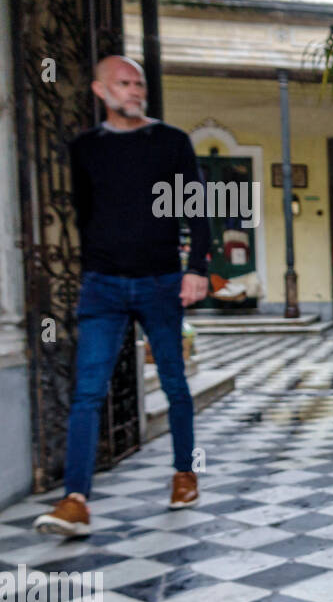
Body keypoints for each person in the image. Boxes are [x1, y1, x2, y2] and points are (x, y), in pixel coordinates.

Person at [34, 56, 212, 537]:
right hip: (103, 285)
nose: (135, 90)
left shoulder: (171, 142)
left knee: (174, 382)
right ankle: (75, 500)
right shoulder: (85, 149)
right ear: (100, 90)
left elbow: (196, 210)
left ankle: (184, 474)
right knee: (88, 391)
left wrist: (196, 268)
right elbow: (84, 211)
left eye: (139, 83)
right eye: (124, 83)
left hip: (159, 282)